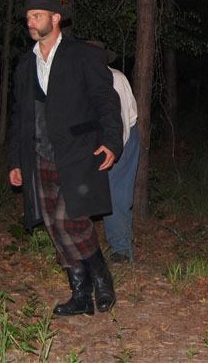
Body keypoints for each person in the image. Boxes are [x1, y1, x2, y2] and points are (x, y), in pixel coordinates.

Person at [8, 0, 123, 317]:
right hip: (39, 156)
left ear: (55, 18)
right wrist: (15, 159)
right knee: (52, 222)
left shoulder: (83, 55)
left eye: (37, 15)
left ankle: (101, 279)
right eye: (28, 16)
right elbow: (20, 115)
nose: (30, 21)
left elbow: (106, 100)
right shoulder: (25, 65)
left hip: (77, 152)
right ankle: (80, 292)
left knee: (69, 219)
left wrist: (112, 142)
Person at [87, 41, 140, 264]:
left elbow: (121, 124)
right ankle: (82, 248)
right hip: (95, 141)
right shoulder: (77, 80)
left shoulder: (114, 79)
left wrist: (114, 152)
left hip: (124, 140)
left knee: (116, 193)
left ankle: (122, 250)